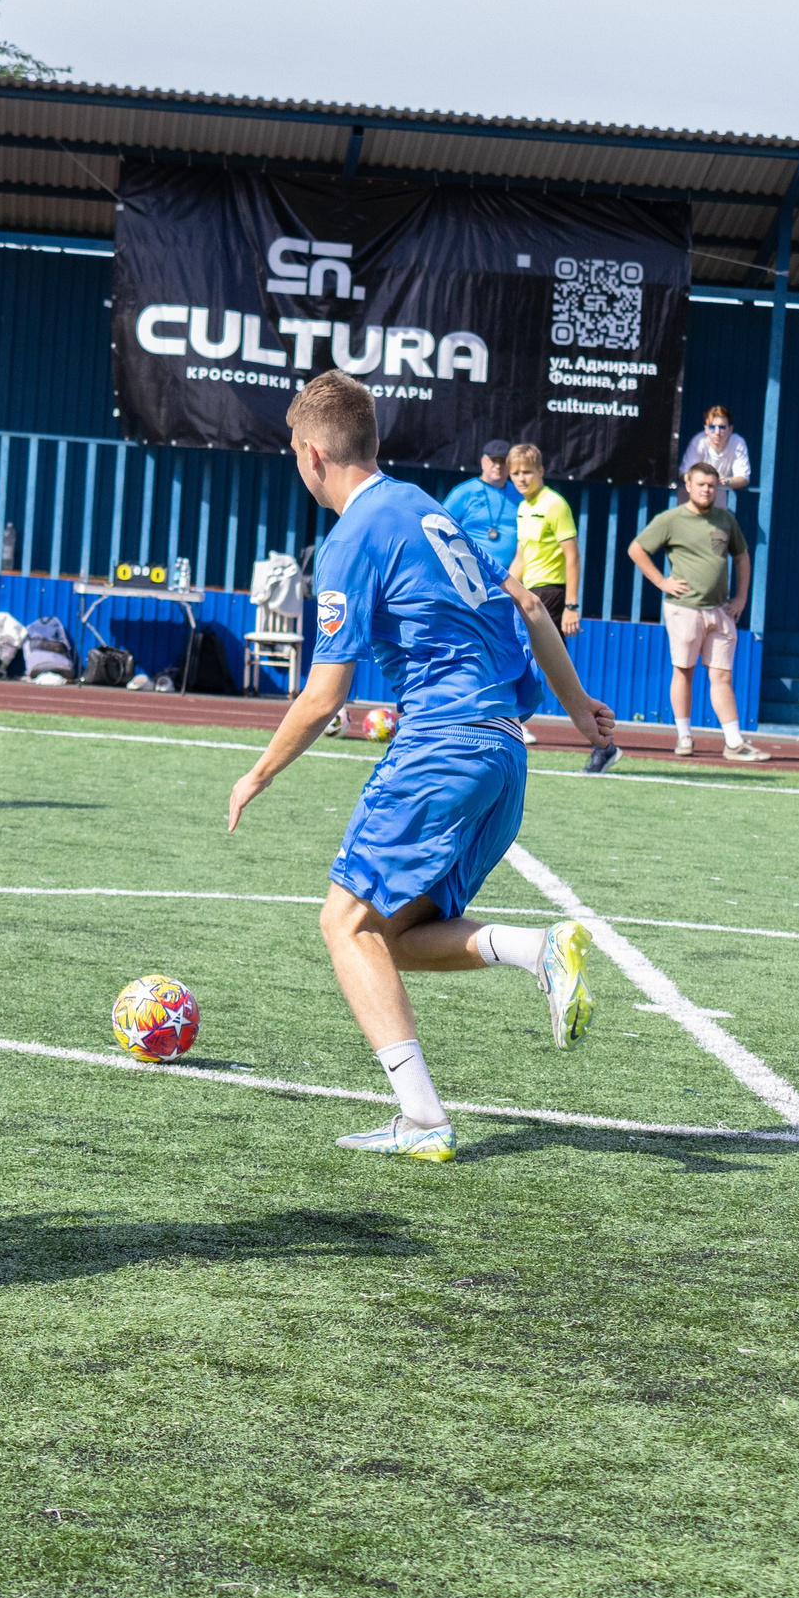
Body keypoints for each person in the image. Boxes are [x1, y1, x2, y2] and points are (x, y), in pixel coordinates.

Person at [225, 371, 617, 1164]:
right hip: (504, 750)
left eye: (294, 452)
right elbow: (530, 605)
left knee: (343, 922)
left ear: (312, 454)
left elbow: (325, 693)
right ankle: (537, 950)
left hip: (442, 743)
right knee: (392, 934)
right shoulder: (429, 509)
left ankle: (423, 1116)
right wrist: (578, 708)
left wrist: (256, 774)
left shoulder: (350, 538)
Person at [627, 461, 769, 761]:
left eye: (712, 485)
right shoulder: (671, 519)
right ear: (688, 486)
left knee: (722, 676)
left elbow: (742, 557)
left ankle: (734, 742)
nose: (706, 490)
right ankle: (684, 737)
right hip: (684, 609)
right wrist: (662, 581)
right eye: (701, 484)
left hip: (720, 610)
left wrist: (741, 598)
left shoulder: (725, 519)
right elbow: (636, 549)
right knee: (684, 671)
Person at [508, 443, 580, 636]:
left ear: (540, 471)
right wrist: (502, 591)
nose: (521, 479)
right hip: (531, 591)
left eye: (527, 472)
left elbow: (572, 556)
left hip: (552, 591)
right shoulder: (523, 507)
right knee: (538, 650)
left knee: (543, 650)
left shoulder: (555, 504)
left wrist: (571, 606)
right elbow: (520, 558)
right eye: (515, 473)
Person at [442, 437, 520, 577]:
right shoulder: (464, 492)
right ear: (483, 462)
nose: (498, 466)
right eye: (494, 460)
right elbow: (440, 526)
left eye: (503, 461)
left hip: (511, 577)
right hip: (470, 574)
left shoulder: (519, 494)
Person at [674, 405, 751, 507]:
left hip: (717, 508)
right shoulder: (699, 442)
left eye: (722, 427)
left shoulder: (737, 443)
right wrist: (705, 479)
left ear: (730, 429)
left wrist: (726, 481)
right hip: (689, 504)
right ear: (706, 429)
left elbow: (743, 478)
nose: (717, 432)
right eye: (712, 427)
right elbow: (683, 474)